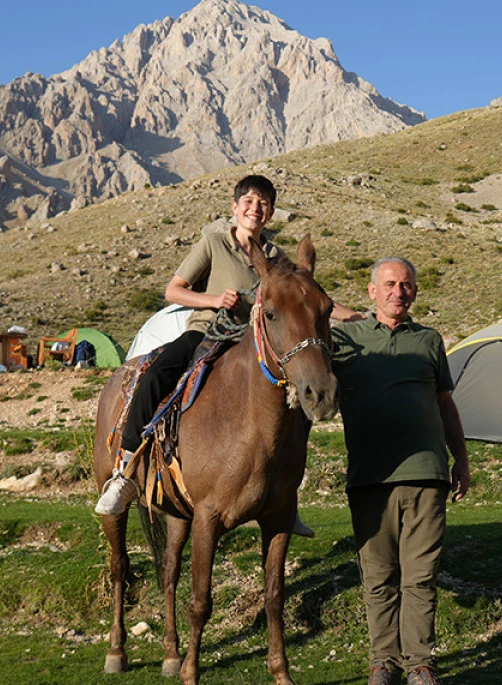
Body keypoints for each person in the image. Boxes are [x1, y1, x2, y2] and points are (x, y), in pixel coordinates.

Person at [95, 174, 353, 535]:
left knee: (296, 400)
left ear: (271, 212)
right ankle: (125, 472)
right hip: (207, 332)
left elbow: (306, 300)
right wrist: (214, 299)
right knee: (156, 375)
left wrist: (352, 315)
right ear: (235, 207)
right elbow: (174, 291)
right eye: (248, 201)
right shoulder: (214, 243)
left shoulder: (276, 258)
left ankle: (284, 498)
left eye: (263, 203)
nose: (255, 208)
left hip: (254, 343)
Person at [330, 256, 470, 685]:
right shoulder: (345, 340)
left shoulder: (429, 341)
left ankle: (420, 668)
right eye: (389, 284)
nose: (398, 292)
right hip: (369, 477)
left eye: (406, 285)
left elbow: (445, 404)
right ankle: (382, 667)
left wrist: (461, 459)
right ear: (371, 291)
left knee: (421, 577)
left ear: (415, 291)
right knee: (378, 579)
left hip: (427, 475)